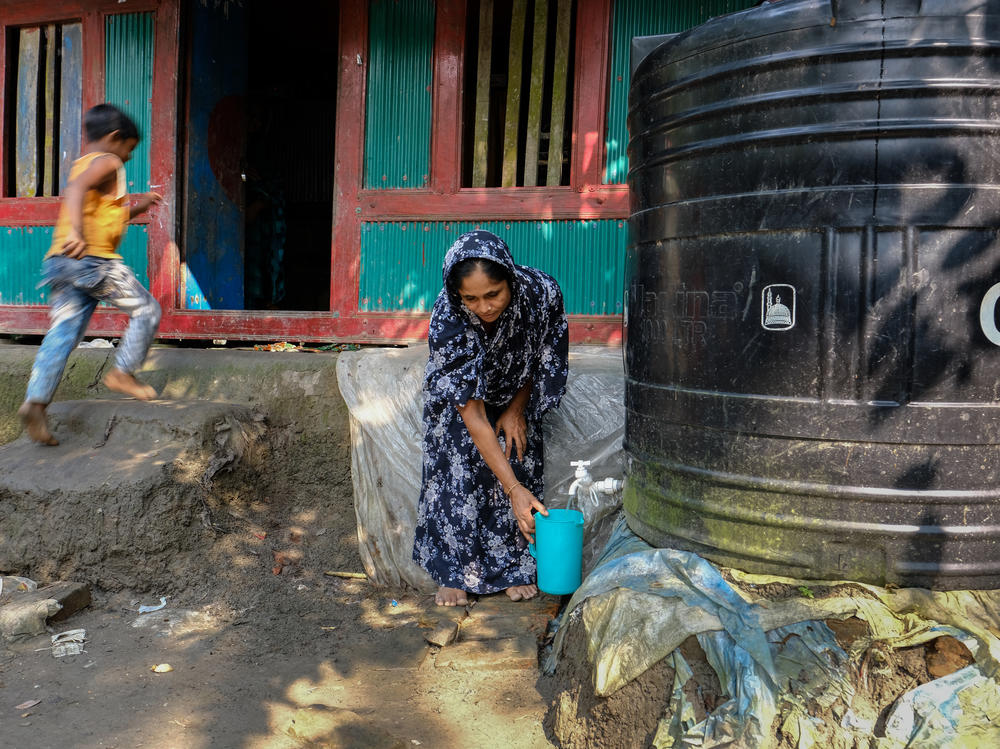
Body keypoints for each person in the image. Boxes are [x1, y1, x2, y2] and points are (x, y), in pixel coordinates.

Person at [413, 230, 569, 606]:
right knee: (458, 465)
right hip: (463, 401)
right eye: (472, 298)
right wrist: (513, 490)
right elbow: (473, 414)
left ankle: (513, 567)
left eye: (493, 294)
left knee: (518, 454)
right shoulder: (449, 317)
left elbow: (543, 352)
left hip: (515, 388)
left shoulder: (541, 294)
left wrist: (517, 409)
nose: (483, 307)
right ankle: (454, 572)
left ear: (510, 281)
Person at [18, 104, 163, 446]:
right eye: (130, 149)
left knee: (63, 333)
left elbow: (111, 211)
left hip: (60, 263)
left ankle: (36, 402)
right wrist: (78, 234)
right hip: (93, 261)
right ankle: (122, 374)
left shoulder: (83, 164)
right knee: (147, 310)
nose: (128, 157)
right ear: (115, 139)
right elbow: (77, 190)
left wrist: (141, 204)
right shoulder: (107, 162)